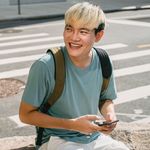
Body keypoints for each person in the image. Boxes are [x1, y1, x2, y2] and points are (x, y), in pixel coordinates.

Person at [19, 2, 129, 150]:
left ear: (98, 35)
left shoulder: (103, 59)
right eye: (69, 29)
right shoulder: (45, 65)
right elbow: (25, 115)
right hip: (56, 140)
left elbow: (105, 98)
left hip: (94, 137)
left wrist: (110, 115)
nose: (73, 37)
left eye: (83, 31)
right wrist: (72, 125)